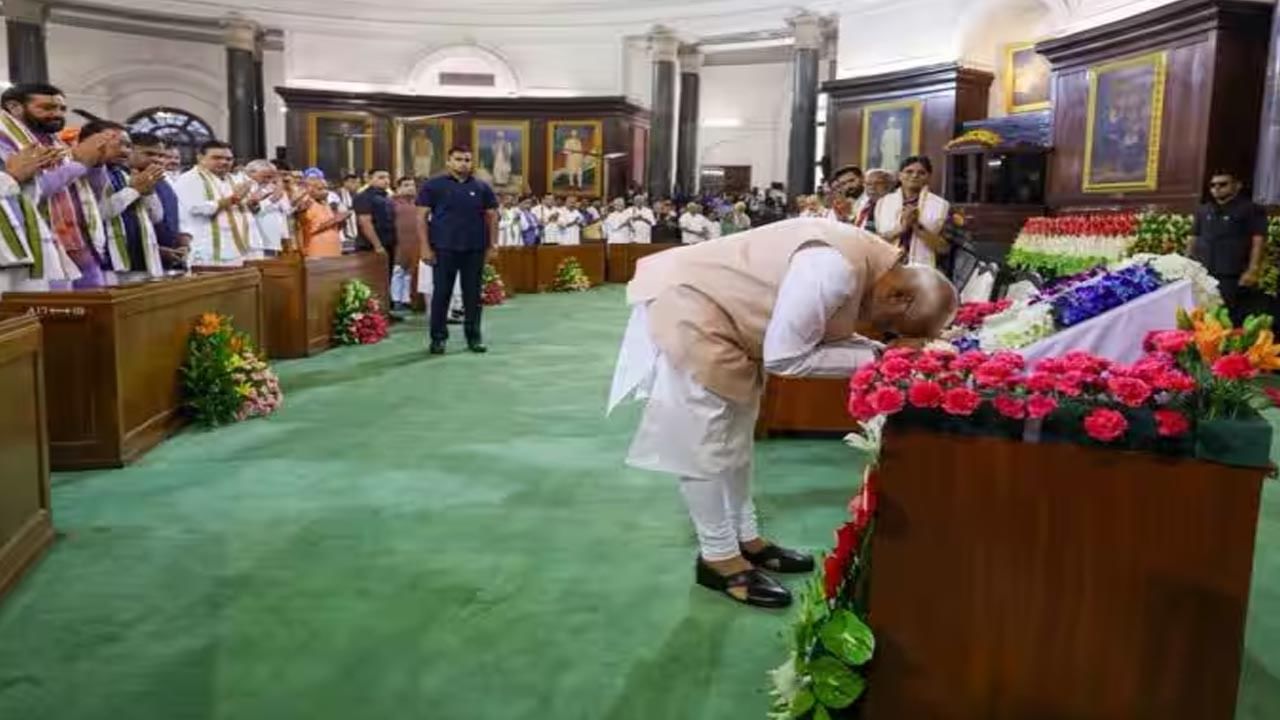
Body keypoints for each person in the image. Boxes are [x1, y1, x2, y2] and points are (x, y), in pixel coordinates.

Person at [607, 217, 958, 607]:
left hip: (730, 320)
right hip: (689, 306)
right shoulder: (833, 269)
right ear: (900, 298)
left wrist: (880, 352)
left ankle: (746, 537)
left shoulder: (867, 261)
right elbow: (786, 357)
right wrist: (878, 356)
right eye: (890, 327)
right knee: (702, 443)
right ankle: (718, 559)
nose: (879, 330)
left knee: (736, 437)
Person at [417, 146, 498, 355]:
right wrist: (425, 247)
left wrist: (492, 245)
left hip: (474, 249)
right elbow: (421, 218)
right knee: (441, 295)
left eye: (467, 159)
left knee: (473, 296)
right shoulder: (433, 186)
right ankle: (438, 339)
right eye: (459, 159)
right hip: (443, 248)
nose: (463, 163)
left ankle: (474, 337)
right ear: (448, 161)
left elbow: (492, 217)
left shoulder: (482, 187)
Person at [1187, 172, 1268, 324]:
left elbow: (1258, 240)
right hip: (1203, 272)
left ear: (1237, 186)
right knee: (1202, 314)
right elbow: (1193, 238)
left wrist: (1253, 269)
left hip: (1232, 274)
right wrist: (1187, 263)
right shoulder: (1204, 210)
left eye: (1223, 184)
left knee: (1228, 317)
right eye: (1213, 185)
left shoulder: (1251, 209)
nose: (1217, 188)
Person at [174, 140, 258, 267]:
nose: (224, 162)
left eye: (229, 159)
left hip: (238, 246)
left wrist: (253, 204)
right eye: (217, 158)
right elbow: (198, 208)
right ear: (200, 158)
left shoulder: (234, 179)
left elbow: (243, 209)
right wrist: (234, 199)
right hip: (207, 247)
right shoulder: (189, 179)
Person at [101, 122, 166, 279]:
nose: (157, 160)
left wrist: (148, 192)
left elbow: (156, 218)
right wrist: (134, 190)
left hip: (142, 253)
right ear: (130, 150)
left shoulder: (128, 176)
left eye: (160, 155)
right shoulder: (100, 173)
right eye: (149, 154)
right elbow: (100, 213)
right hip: (112, 255)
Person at [875, 155, 950, 267]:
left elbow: (944, 249)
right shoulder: (883, 203)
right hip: (887, 268)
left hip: (923, 271)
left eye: (921, 173)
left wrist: (917, 226)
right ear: (900, 175)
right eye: (909, 172)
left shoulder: (941, 205)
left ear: (929, 177)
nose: (914, 176)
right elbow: (874, 242)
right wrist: (902, 228)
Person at [390, 176, 426, 311]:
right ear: (397, 189)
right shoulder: (392, 203)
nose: (410, 188)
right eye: (406, 185)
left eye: (412, 185)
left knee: (410, 272)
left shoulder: (419, 203)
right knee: (398, 271)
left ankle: (406, 299)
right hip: (399, 241)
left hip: (415, 242)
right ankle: (395, 299)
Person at [243, 159, 291, 256]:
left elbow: (287, 210)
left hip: (273, 237)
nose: (268, 180)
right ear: (250, 173)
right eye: (265, 177)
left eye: (271, 177)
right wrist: (270, 200)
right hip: (253, 239)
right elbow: (252, 210)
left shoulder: (274, 188)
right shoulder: (243, 187)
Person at [353, 168, 397, 272]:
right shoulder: (363, 197)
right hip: (370, 245)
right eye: (381, 178)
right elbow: (365, 222)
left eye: (388, 178)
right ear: (369, 180)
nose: (386, 180)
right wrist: (377, 246)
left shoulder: (388, 196)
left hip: (389, 243)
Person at [297, 169, 346, 258]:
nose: (325, 192)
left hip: (333, 245)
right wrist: (333, 221)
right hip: (316, 245)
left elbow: (335, 226)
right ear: (310, 189)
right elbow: (308, 228)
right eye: (320, 189)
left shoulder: (326, 204)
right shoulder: (306, 204)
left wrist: (341, 221)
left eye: (326, 188)